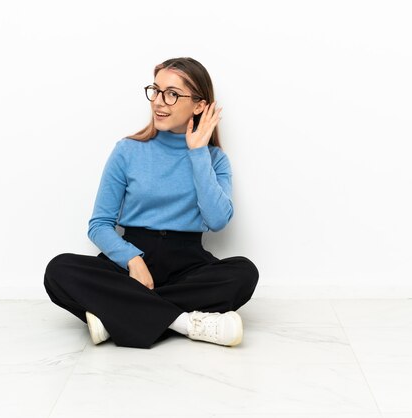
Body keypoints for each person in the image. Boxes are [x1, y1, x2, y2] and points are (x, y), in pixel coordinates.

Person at [43, 57, 259, 349]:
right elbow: (99, 225)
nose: (159, 101)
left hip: (187, 262)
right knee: (59, 270)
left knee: (244, 273)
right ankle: (186, 322)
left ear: (199, 105)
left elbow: (218, 221)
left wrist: (197, 154)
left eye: (172, 94)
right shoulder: (127, 151)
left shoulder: (213, 159)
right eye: (155, 91)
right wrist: (133, 260)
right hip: (133, 260)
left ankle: (115, 315)